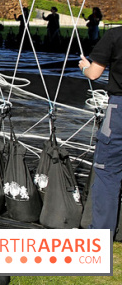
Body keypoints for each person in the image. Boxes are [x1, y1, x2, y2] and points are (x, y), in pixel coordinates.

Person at [79, 25, 122, 233]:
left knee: (108, 171)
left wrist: (84, 66)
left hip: (119, 109)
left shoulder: (115, 35)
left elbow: (94, 74)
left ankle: (102, 232)